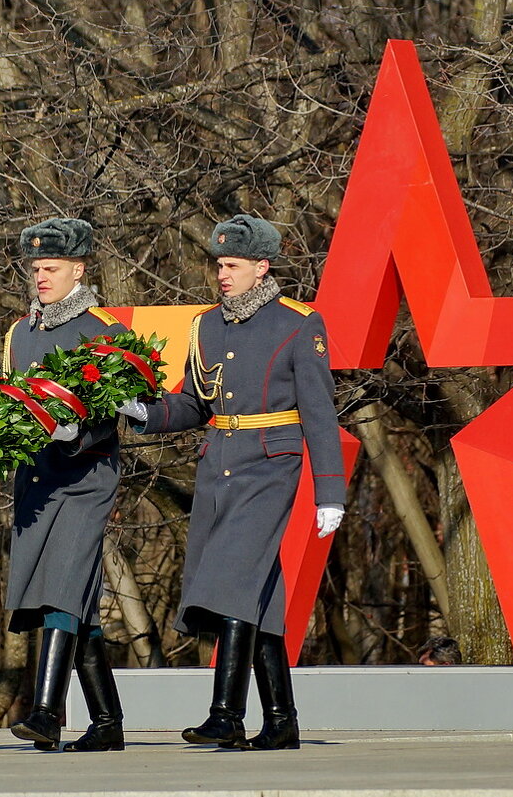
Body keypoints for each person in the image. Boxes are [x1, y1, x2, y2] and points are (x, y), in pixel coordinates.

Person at [118, 214, 346, 751]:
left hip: (271, 464)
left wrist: (330, 490)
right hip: (219, 462)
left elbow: (319, 411)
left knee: (229, 581)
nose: (222, 274)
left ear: (261, 267)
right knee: (257, 594)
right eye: (219, 264)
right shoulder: (205, 326)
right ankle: (281, 720)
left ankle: (225, 713)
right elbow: (193, 403)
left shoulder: (298, 323)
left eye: (233, 265)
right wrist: (142, 411)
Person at [0, 218, 128, 752]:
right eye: (35, 269)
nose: (41, 277)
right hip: (36, 479)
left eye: (51, 268)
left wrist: (77, 427)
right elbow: (4, 410)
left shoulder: (105, 332)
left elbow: (112, 408)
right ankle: (107, 723)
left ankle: (47, 712)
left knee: (62, 584)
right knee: (72, 598)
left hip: (85, 476)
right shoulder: (20, 333)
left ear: (79, 269)